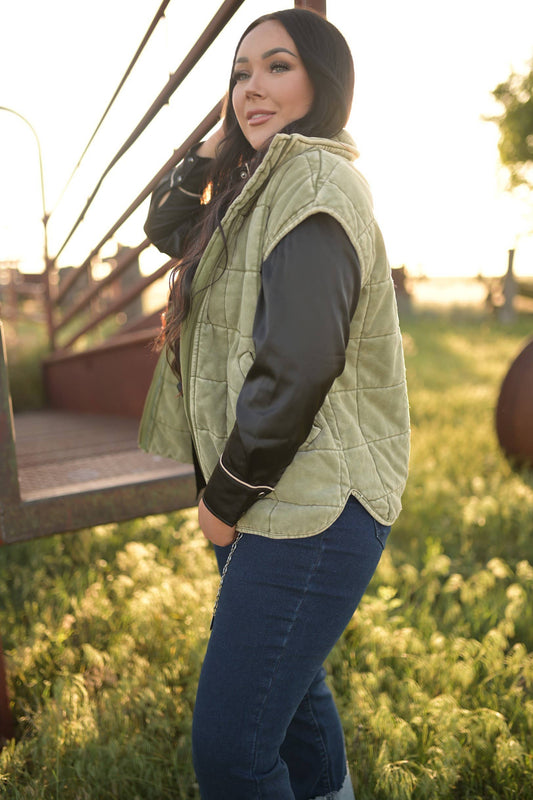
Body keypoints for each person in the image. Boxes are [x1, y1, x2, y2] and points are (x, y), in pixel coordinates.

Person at [139, 8, 410, 799]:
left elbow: (298, 364)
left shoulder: (316, 181)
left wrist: (223, 501)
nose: (252, 86)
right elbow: (166, 228)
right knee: (291, 702)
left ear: (323, 82)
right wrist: (219, 142)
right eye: (240, 73)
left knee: (230, 754)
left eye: (277, 67)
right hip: (276, 492)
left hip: (312, 506)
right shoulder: (258, 184)